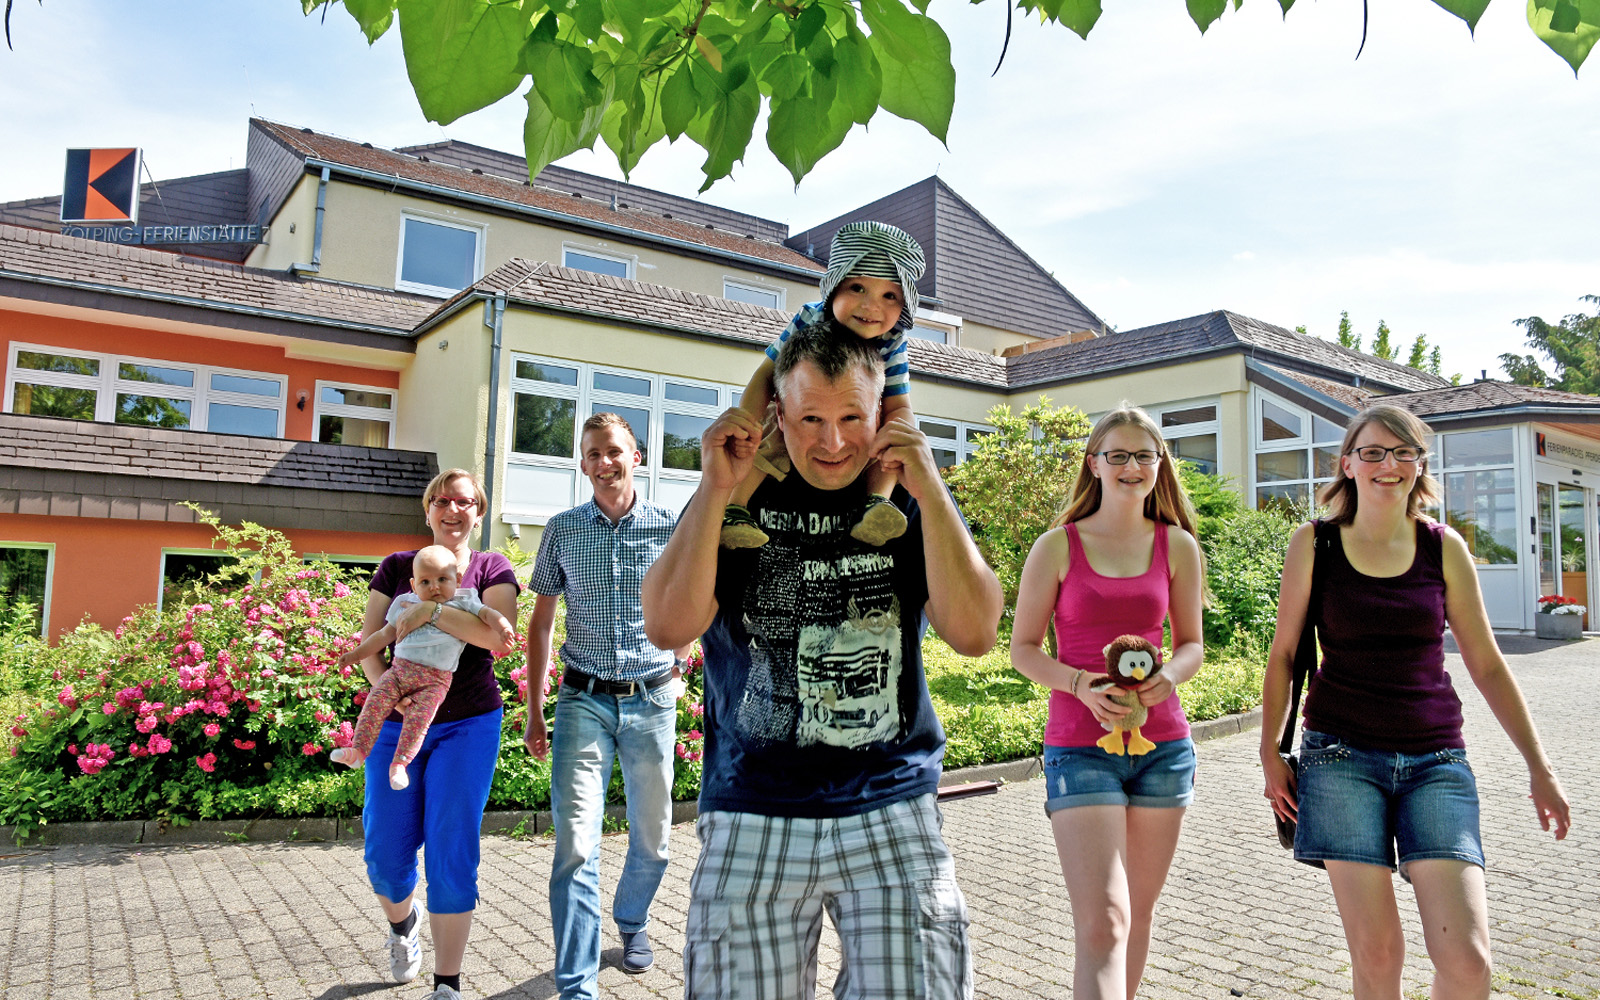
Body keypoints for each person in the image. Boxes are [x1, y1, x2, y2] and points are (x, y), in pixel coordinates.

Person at [642, 326, 1003, 1000]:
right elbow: (667, 626)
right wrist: (714, 490)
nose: (832, 442)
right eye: (811, 418)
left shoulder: (902, 498)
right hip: (753, 808)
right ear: (779, 412)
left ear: (881, 415)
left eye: (850, 419)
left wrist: (928, 485)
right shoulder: (739, 493)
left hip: (889, 805)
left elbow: (977, 631)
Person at [1260, 403, 1570, 999]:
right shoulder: (1315, 544)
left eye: (1404, 452)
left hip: (1436, 764)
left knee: (1469, 961)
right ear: (1348, 464)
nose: (1388, 464)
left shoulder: (1442, 546)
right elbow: (1283, 655)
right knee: (1378, 956)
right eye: (1373, 451)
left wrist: (1540, 767)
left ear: (1419, 465)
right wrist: (1271, 751)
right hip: (1340, 759)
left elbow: (1487, 664)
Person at [1009, 404, 1206, 1000]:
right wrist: (1077, 685)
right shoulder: (1057, 546)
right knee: (1105, 921)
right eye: (1116, 455)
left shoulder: (1177, 546)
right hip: (1079, 749)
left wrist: (1170, 675)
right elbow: (1022, 648)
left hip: (1163, 748)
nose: (1130, 466)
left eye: (1143, 455)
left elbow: (1192, 644)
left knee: (1137, 917)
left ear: (1159, 464)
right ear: (1093, 464)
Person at [523, 412, 689, 1000]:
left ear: (636, 457)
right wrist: (535, 708)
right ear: (583, 461)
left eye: (613, 451)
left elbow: (694, 599)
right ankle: (577, 985)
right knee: (575, 842)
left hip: (651, 699)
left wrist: (681, 663)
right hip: (581, 701)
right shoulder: (563, 530)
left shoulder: (671, 526)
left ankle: (634, 918)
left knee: (655, 838)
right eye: (592, 454)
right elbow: (541, 623)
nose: (602, 463)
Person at [356, 469, 520, 1000]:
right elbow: (373, 642)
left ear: (479, 512)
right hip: (397, 723)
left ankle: (447, 983)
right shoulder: (397, 568)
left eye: (466, 502)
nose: (454, 510)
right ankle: (403, 925)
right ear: (428, 509)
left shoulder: (493, 568)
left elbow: (493, 639)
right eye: (443, 500)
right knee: (384, 854)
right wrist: (390, 695)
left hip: (468, 724)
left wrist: (429, 609)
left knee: (452, 850)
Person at [720, 219, 925, 550]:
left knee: (890, 439)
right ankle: (736, 507)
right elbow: (765, 375)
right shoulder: (811, 317)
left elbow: (899, 404)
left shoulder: (892, 340)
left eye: (890, 295)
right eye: (858, 288)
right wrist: (746, 425)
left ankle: (877, 503)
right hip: (792, 413)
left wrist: (898, 437)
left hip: (866, 430)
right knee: (770, 436)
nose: (872, 306)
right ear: (834, 289)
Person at [334, 545, 515, 790]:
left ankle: (399, 765)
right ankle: (358, 750)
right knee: (375, 702)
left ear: (458, 579)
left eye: (442, 579)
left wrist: (504, 627)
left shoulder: (464, 600)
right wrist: (355, 654)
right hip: (399, 672)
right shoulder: (404, 602)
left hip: (435, 681)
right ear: (413, 584)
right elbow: (383, 635)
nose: (434, 587)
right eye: (425, 582)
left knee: (418, 722)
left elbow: (489, 615)